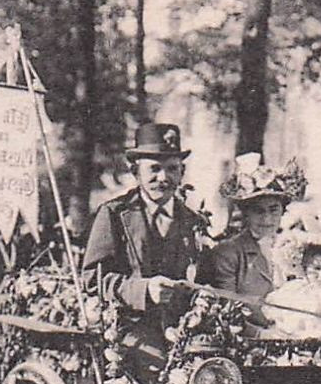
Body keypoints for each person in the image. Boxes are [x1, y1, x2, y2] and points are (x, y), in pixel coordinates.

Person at [81, 122, 209, 357]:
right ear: (135, 172)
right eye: (154, 169)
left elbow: (204, 279)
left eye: (172, 169)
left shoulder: (194, 221)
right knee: (160, 369)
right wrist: (144, 289)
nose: (163, 178)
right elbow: (92, 280)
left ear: (182, 172)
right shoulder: (114, 214)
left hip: (184, 328)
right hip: (130, 327)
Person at [202, 153, 306, 301]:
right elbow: (229, 304)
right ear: (246, 213)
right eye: (258, 211)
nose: (267, 219)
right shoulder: (229, 253)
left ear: (283, 210)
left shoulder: (295, 246)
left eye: (273, 209)